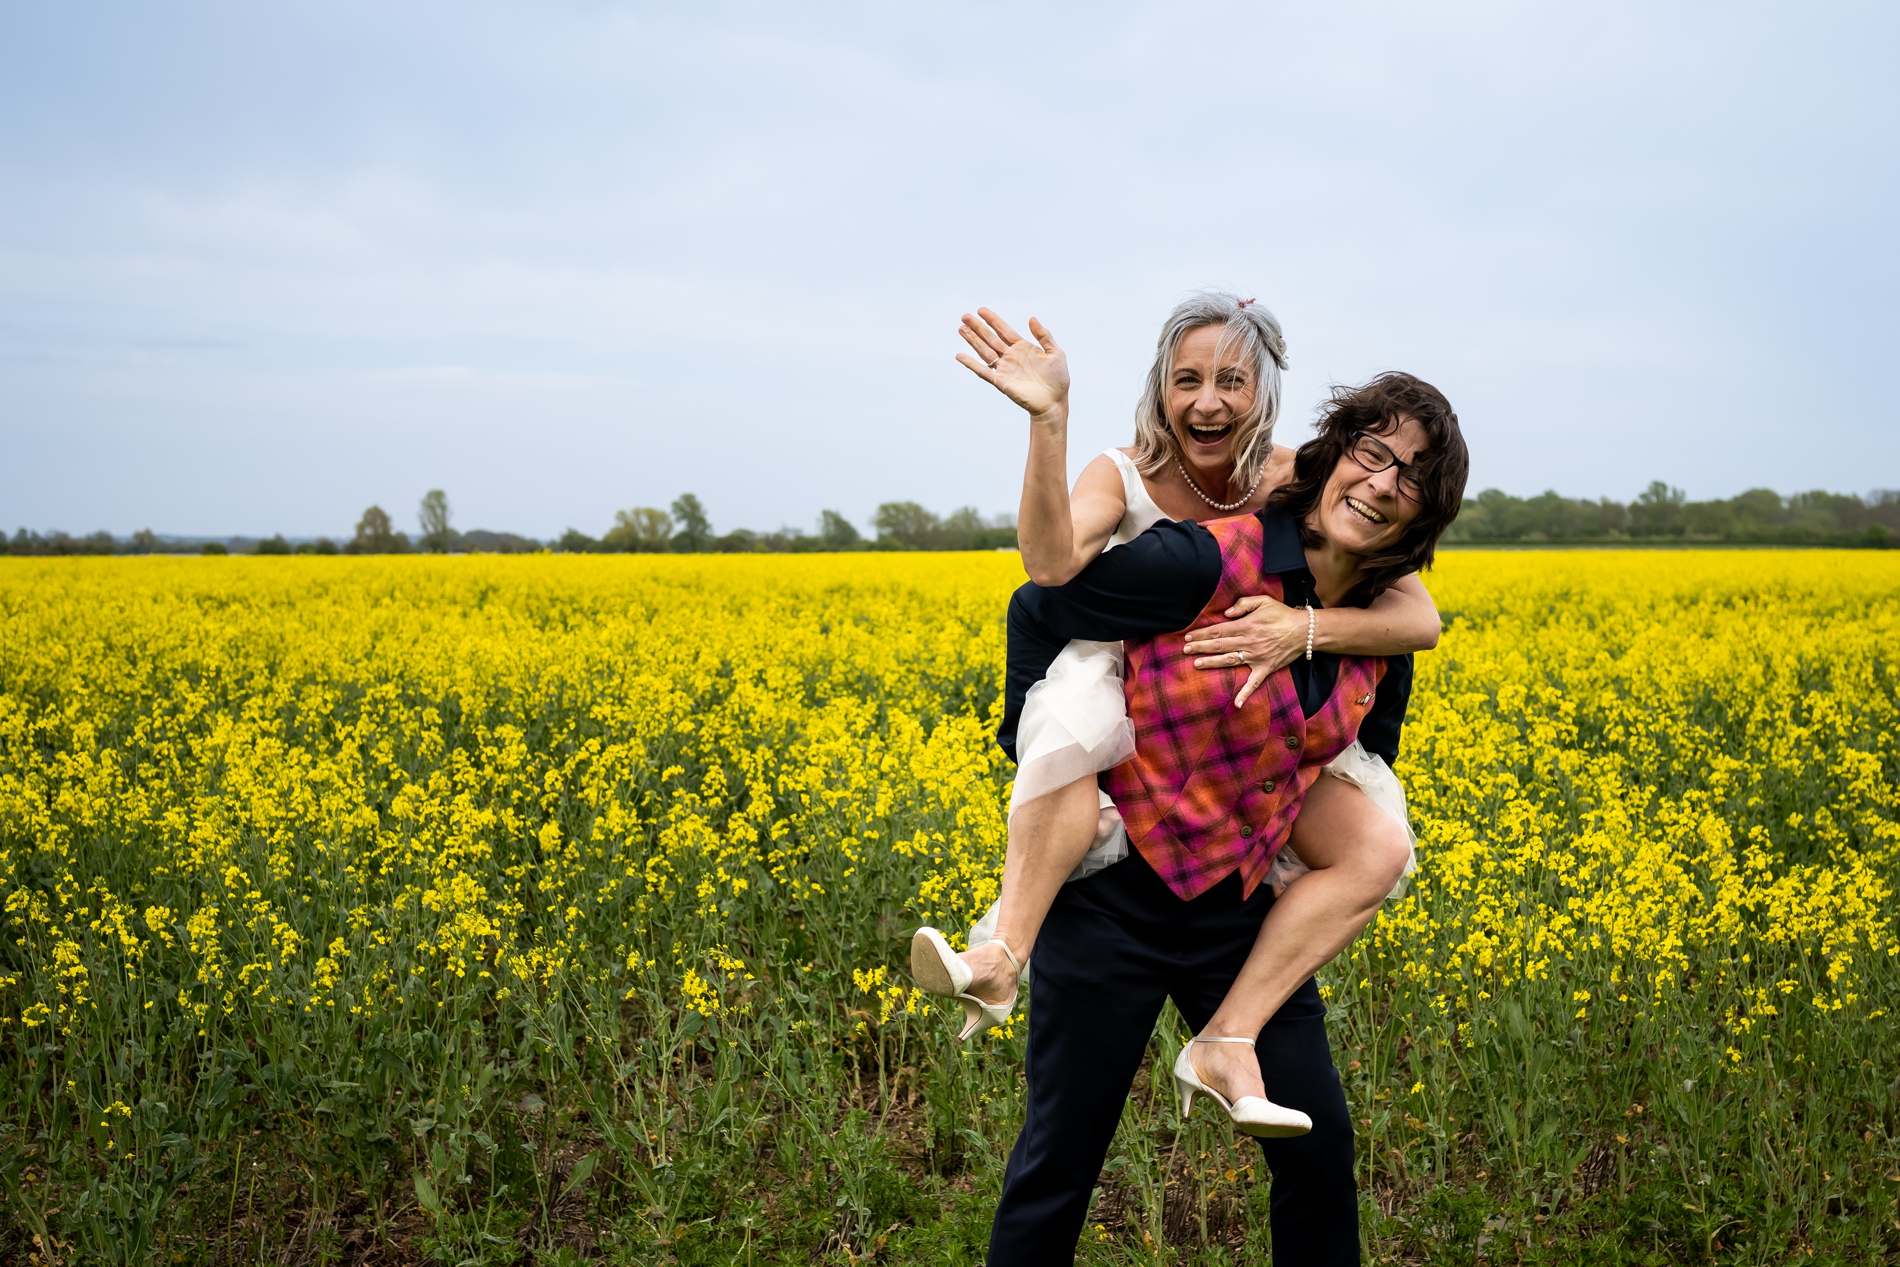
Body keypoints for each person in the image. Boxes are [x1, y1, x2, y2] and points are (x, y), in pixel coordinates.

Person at [976, 370, 1469, 1264]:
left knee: (1317, 1147)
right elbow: (1040, 600)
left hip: (1240, 914)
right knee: (1061, 1161)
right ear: (1330, 461)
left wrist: (1307, 633)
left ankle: (1225, 1039)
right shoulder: (1206, 557)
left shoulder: (1381, 629)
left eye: (1413, 480)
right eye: (1372, 454)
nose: (1385, 483)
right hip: (1119, 902)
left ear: (1423, 518)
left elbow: (1359, 758)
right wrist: (1046, 757)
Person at [912, 295, 1435, 1135]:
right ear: (1160, 389)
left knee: (1374, 843)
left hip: (1240, 702)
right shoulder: (1121, 475)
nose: (1209, 401)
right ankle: (1004, 951)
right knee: (1078, 717)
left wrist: (1302, 629)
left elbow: (1418, 618)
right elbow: (1047, 568)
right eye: (1187, 379)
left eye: (1232, 380)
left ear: (1263, 395)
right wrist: (1050, 420)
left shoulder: (1293, 479)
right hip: (1127, 668)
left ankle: (1231, 1028)